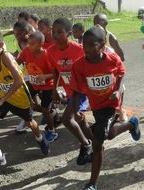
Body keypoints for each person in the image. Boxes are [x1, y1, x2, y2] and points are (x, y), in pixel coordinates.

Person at [70, 26, 141, 190]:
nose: (86, 49)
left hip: (110, 103)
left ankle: (92, 184)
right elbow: (75, 89)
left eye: (91, 45)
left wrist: (117, 90)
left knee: (98, 141)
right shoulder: (79, 65)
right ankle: (132, 124)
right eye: (84, 45)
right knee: (107, 134)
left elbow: (121, 73)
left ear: (102, 46)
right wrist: (75, 112)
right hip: (96, 104)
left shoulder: (112, 59)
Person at [0, 31, 49, 171]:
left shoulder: (6, 57)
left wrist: (1, 101)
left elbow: (19, 80)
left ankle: (40, 138)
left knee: (30, 123)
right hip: (4, 95)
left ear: (1, 44)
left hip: (19, 96)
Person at [48, 18, 92, 165]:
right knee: (79, 119)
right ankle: (95, 143)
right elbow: (55, 69)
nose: (55, 35)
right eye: (53, 31)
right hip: (69, 90)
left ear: (69, 33)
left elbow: (90, 68)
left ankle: (86, 145)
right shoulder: (51, 51)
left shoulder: (79, 49)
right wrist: (54, 89)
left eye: (60, 32)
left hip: (81, 89)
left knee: (67, 119)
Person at [17, 32, 57, 143]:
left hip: (48, 85)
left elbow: (56, 73)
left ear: (41, 44)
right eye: (28, 43)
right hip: (33, 83)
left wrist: (45, 76)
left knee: (45, 109)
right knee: (23, 101)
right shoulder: (26, 51)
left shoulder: (46, 55)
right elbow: (17, 62)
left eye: (32, 44)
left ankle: (51, 130)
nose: (29, 46)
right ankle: (50, 112)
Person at [94, 13, 127, 122]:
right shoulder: (92, 36)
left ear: (105, 24)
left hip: (111, 71)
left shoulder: (110, 37)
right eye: (96, 24)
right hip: (97, 72)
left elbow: (121, 56)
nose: (98, 26)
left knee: (119, 90)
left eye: (100, 23)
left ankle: (120, 111)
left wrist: (111, 61)